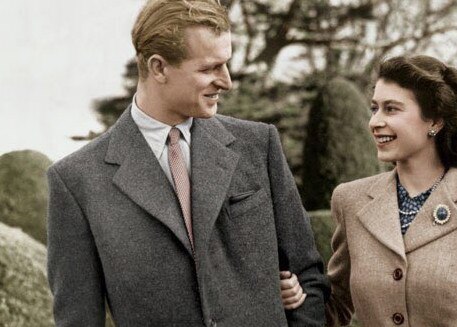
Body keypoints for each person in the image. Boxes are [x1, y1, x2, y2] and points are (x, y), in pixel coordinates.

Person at [46, 0, 328, 325]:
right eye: (209, 68)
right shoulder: (76, 181)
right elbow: (78, 319)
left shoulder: (258, 145)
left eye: (226, 64)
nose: (226, 81)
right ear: (159, 68)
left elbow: (308, 276)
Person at [281, 55, 457, 326]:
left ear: (435, 120)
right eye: (374, 108)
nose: (375, 122)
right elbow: (336, 305)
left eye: (391, 109)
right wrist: (298, 297)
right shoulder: (350, 200)